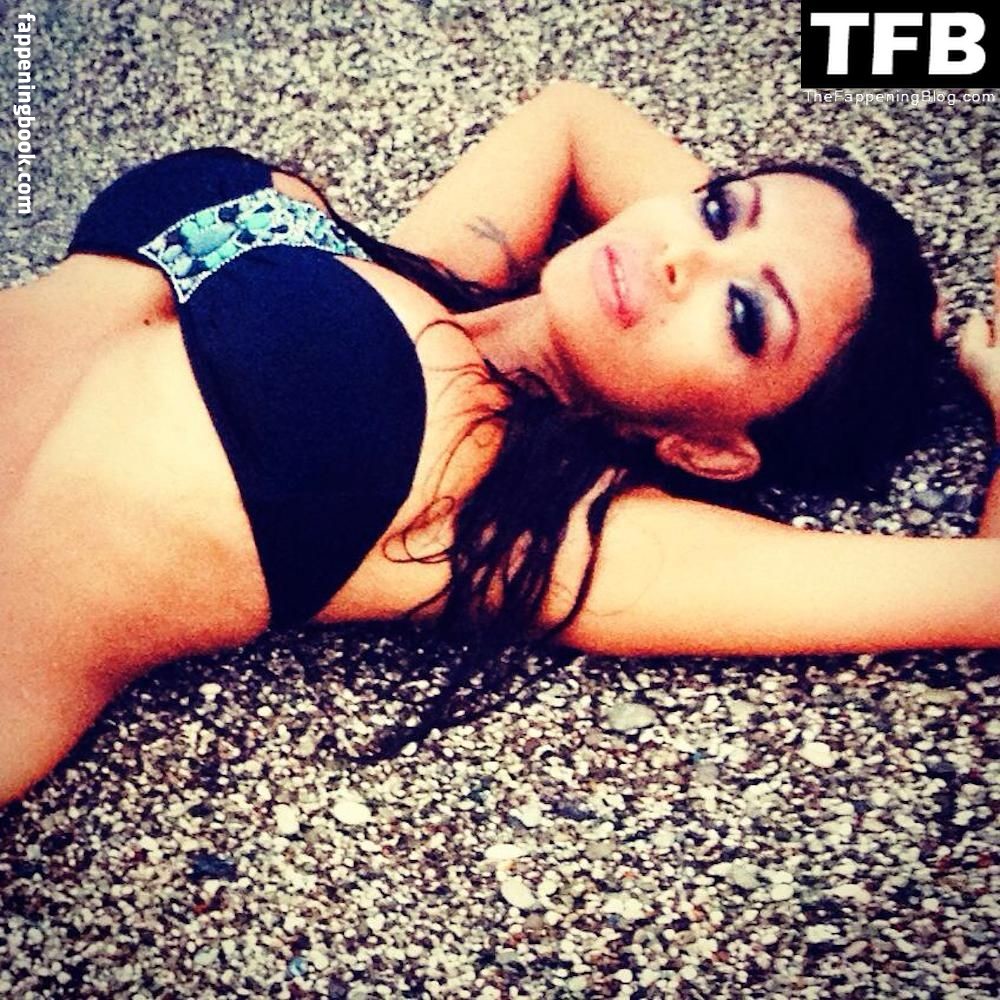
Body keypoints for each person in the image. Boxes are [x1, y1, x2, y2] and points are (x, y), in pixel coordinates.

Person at [1, 81, 998, 805]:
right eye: (718, 209)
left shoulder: (525, 525)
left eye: (744, 316)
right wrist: (858, 320)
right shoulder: (435, 270)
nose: (682, 257)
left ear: (711, 450)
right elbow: (572, 116)